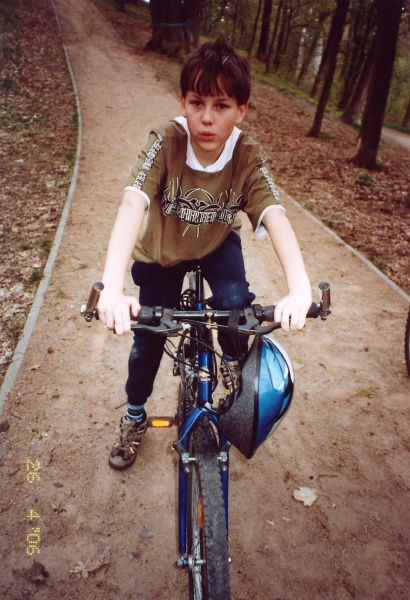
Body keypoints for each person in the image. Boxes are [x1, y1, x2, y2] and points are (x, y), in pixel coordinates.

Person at [97, 39, 312, 470]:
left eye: (222, 105)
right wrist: (112, 288)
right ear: (183, 102)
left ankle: (231, 359)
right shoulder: (165, 141)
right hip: (163, 252)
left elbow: (274, 215)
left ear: (241, 110)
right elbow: (132, 203)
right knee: (148, 336)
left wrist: (300, 288)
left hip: (216, 245)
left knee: (236, 306)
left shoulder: (247, 156)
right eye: (197, 102)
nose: (207, 117)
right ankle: (135, 414)